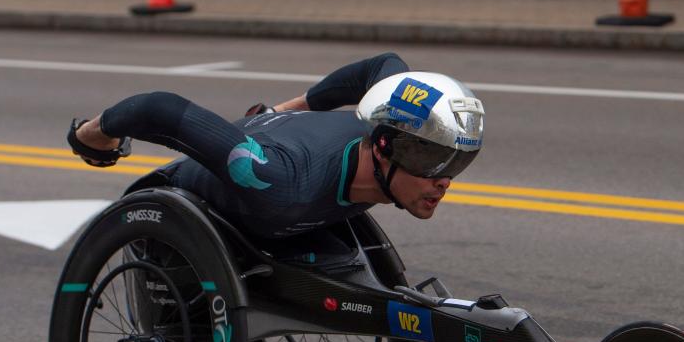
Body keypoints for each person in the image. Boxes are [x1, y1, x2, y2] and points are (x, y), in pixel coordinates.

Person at [68, 53, 485, 239]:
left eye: (457, 163)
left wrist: (289, 107)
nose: (443, 180)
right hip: (175, 215)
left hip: (277, 134)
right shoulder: (282, 183)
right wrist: (92, 136)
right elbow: (159, 108)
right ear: (381, 145)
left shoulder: (391, 120)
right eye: (429, 160)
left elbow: (383, 65)